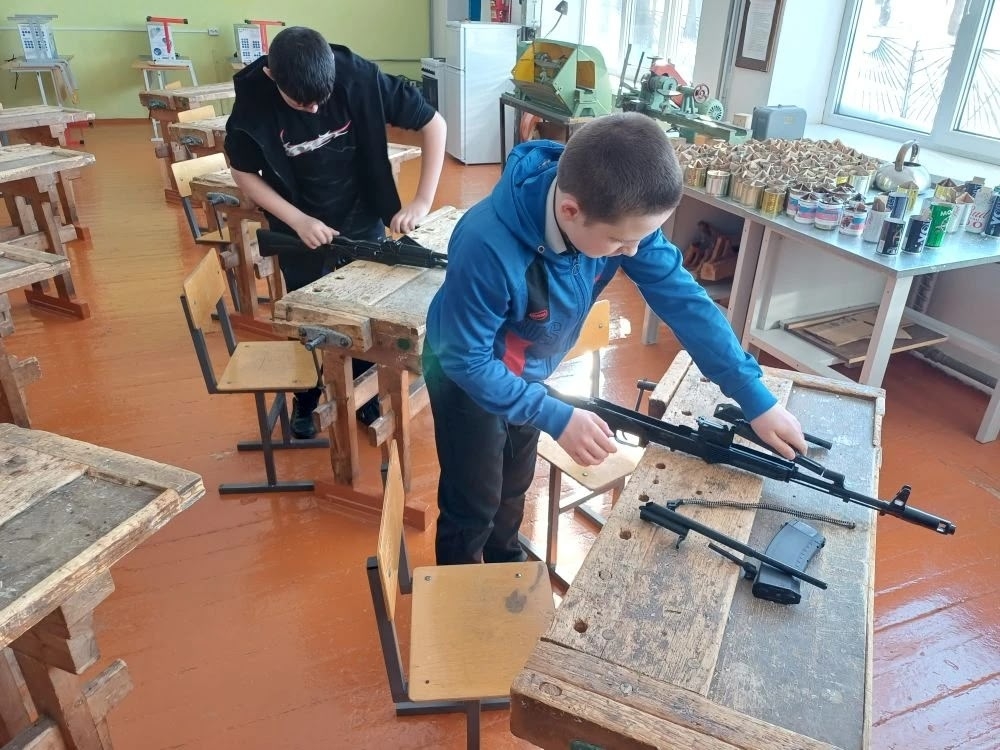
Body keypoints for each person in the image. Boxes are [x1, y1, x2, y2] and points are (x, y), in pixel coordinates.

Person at [423, 112, 807, 566]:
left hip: (528, 373)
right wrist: (555, 415)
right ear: (570, 211)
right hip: (465, 377)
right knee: (473, 501)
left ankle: (504, 564)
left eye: (643, 238)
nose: (633, 251)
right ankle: (461, 586)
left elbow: (685, 300)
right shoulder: (485, 244)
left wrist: (754, 396)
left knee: (512, 486)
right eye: (621, 242)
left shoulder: (616, 218)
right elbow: (466, 360)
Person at [224, 26, 446, 438]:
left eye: (320, 101)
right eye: (300, 103)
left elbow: (434, 124)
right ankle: (306, 397)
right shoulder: (254, 100)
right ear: (272, 77)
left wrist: (421, 200)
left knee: (362, 316)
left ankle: (361, 393)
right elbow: (242, 172)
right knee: (309, 320)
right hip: (300, 227)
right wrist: (297, 220)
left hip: (362, 216)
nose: (312, 110)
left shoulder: (358, 75)